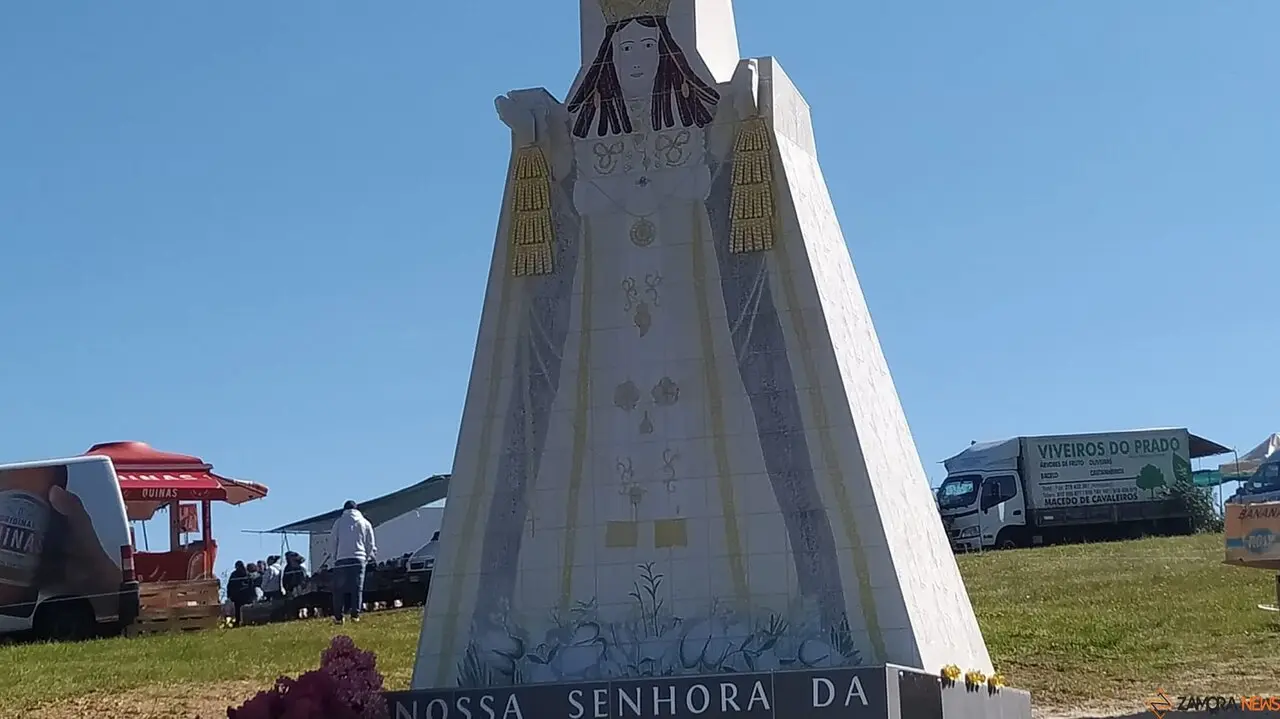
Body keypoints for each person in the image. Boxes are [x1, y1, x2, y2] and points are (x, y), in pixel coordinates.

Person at [329, 500, 376, 624]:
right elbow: (370, 543)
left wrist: (334, 557)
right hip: (359, 558)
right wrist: (366, 557)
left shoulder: (338, 522)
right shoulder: (365, 522)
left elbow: (333, 540)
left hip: (341, 558)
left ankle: (339, 617)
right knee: (357, 588)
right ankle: (355, 615)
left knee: (339, 589)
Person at [226, 561, 255, 625]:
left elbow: (230, 585)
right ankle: (246, 621)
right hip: (244, 595)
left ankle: (239, 621)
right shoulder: (247, 574)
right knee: (245, 609)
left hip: (238, 595)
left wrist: (229, 594)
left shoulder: (234, 574)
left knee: (238, 610)